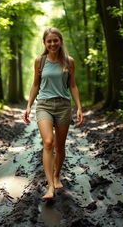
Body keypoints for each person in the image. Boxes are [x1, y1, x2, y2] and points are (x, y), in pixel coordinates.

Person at [23, 27, 83, 199]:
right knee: (48, 142)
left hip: (64, 106)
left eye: (55, 40)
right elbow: (35, 84)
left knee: (60, 147)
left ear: (60, 41)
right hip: (44, 105)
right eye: (49, 41)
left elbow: (72, 85)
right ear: (44, 43)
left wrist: (79, 107)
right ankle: (50, 186)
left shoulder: (69, 61)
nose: (52, 43)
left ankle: (57, 175)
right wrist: (29, 106)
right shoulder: (40, 61)